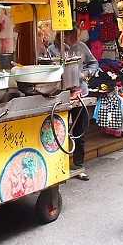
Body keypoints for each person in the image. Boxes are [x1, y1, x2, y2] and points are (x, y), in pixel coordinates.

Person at [47, 24, 99, 181]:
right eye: (74, 36)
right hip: (59, 93)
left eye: (78, 35)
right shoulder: (52, 50)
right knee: (57, 132)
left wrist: (85, 74)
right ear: (64, 35)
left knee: (79, 131)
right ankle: (58, 167)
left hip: (80, 91)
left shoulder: (82, 47)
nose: (77, 39)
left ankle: (78, 165)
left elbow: (94, 63)